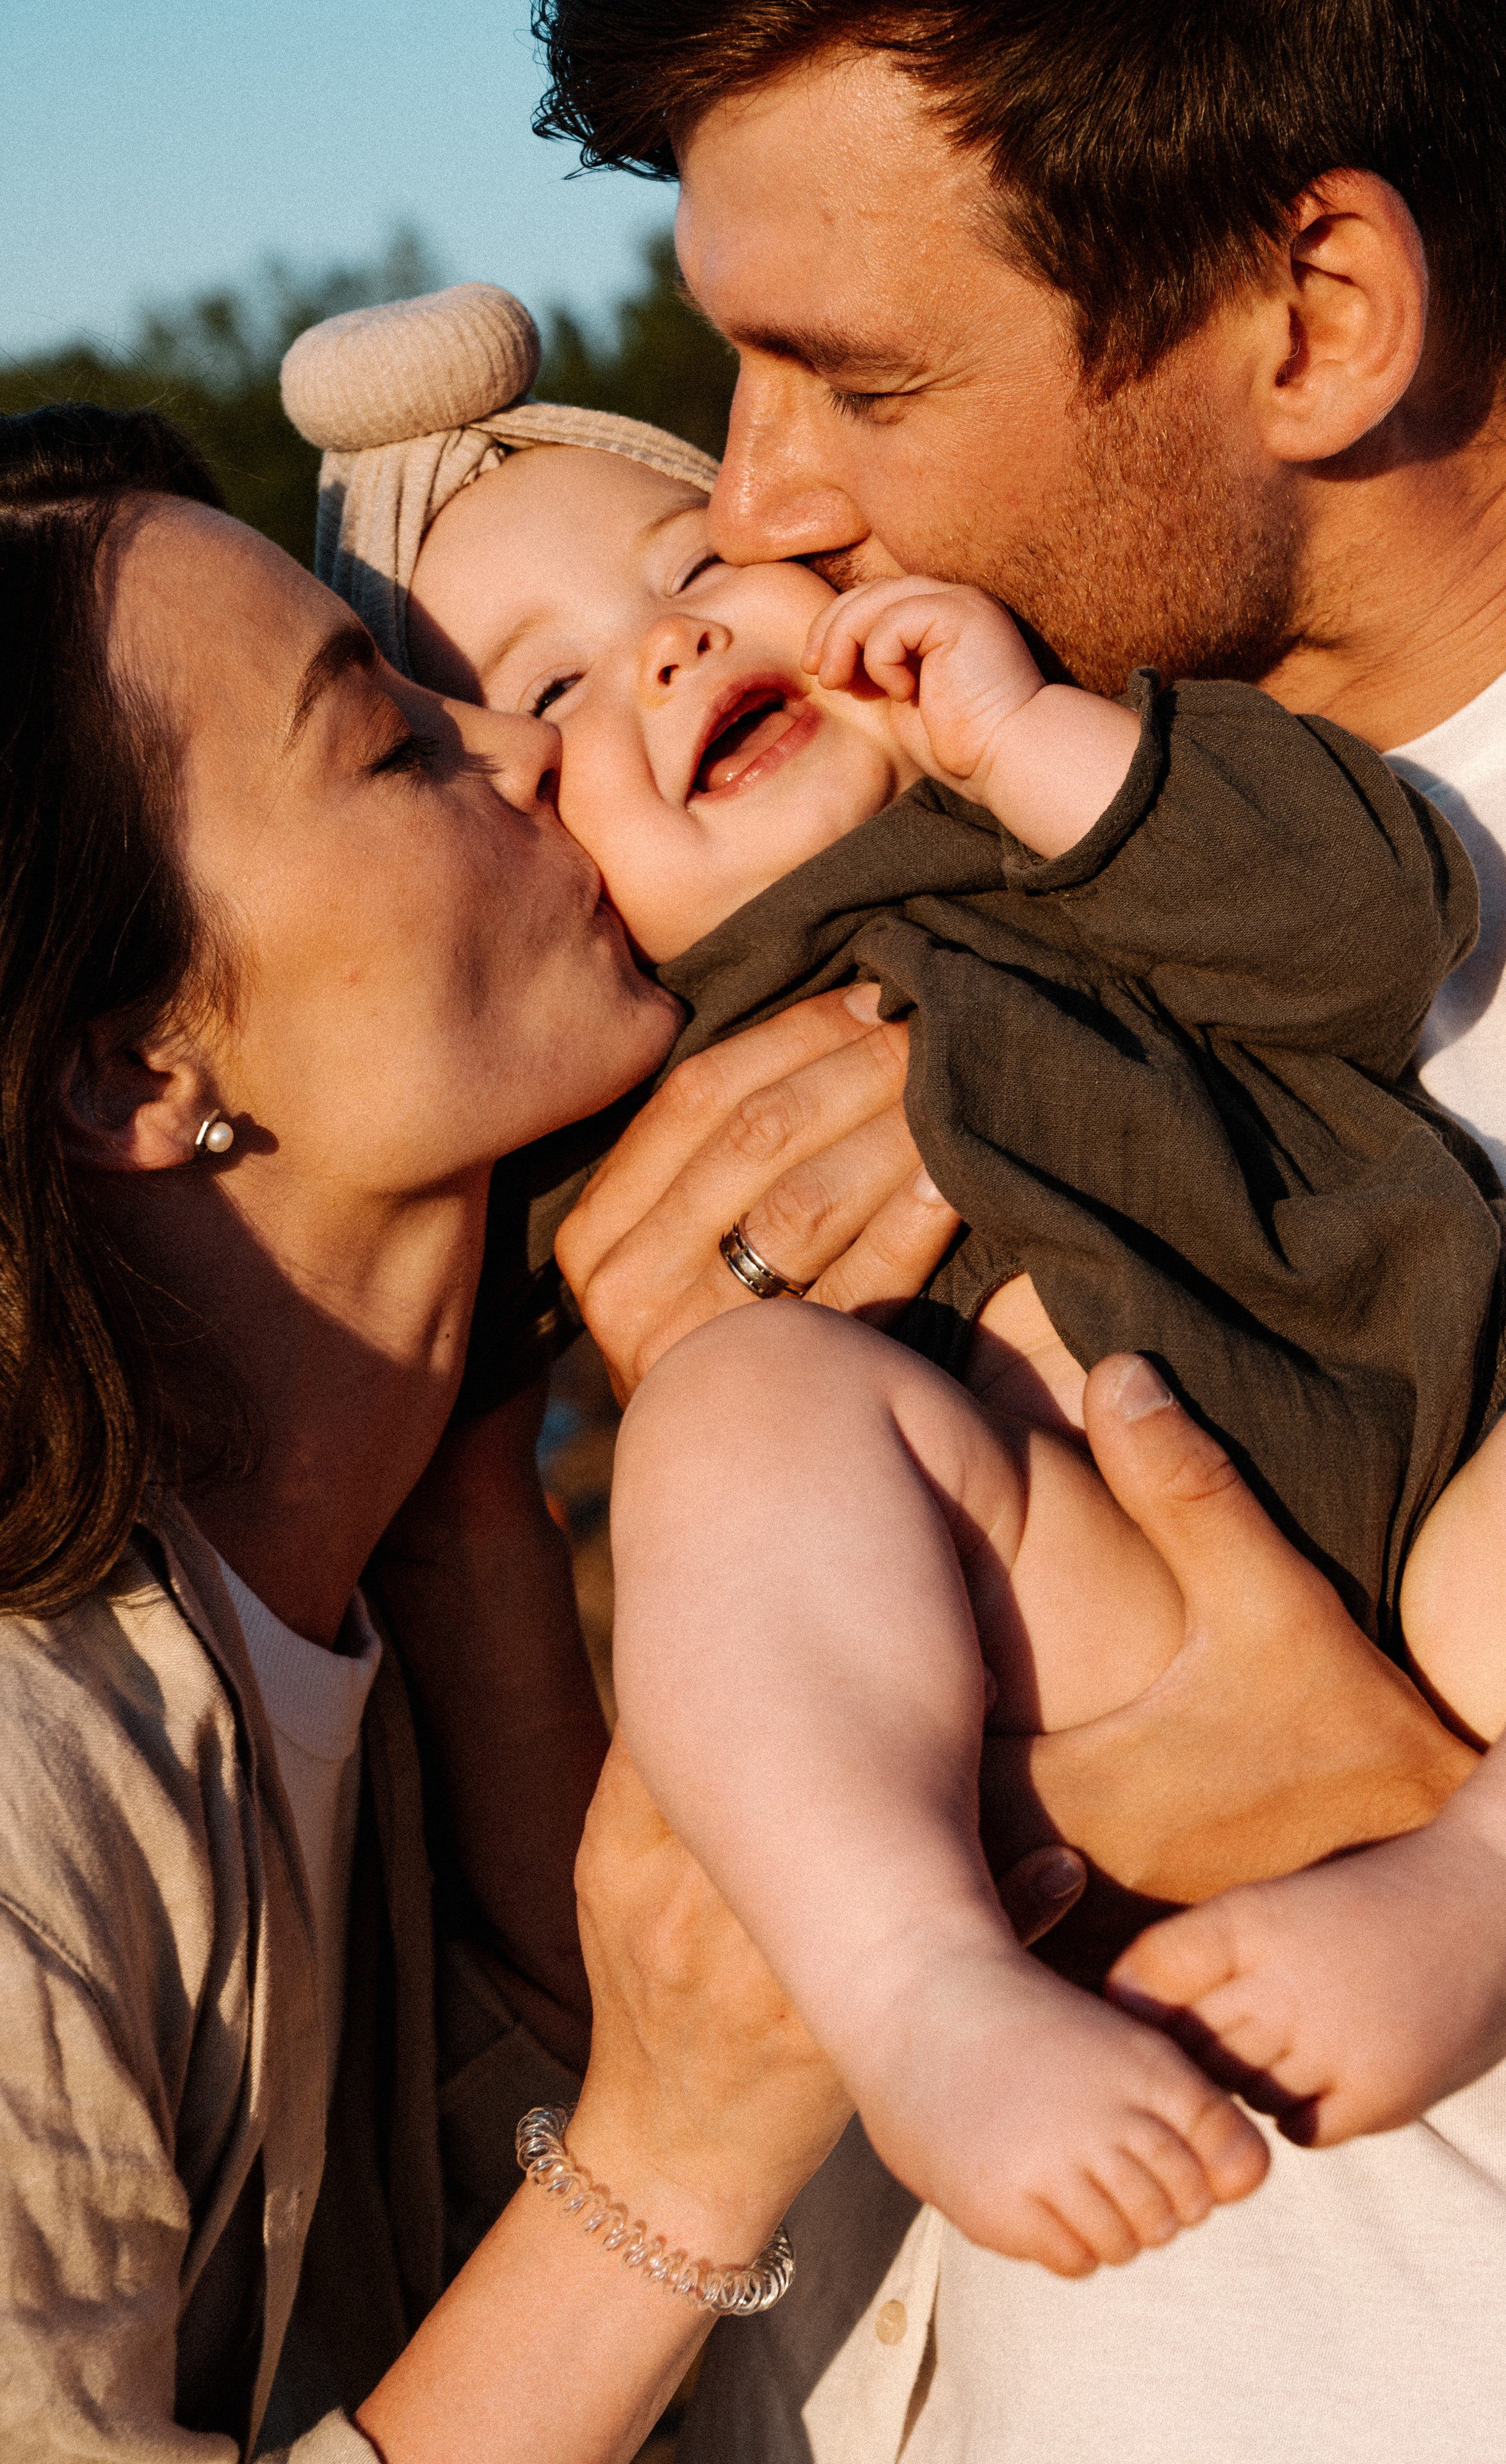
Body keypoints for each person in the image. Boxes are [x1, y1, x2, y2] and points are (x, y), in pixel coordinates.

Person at [519, 1, 1506, 2456]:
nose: (759, 502)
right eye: (737, 371)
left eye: (858, 382)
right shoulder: (883, 827)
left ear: (1313, 320)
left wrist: (1421, 1825)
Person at [0, 396, 932, 2464]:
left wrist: (481, 1541)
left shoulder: (344, 1609)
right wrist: (669, 2168)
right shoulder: (25, 1823)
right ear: (134, 1063)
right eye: (397, 744)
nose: (533, 757)